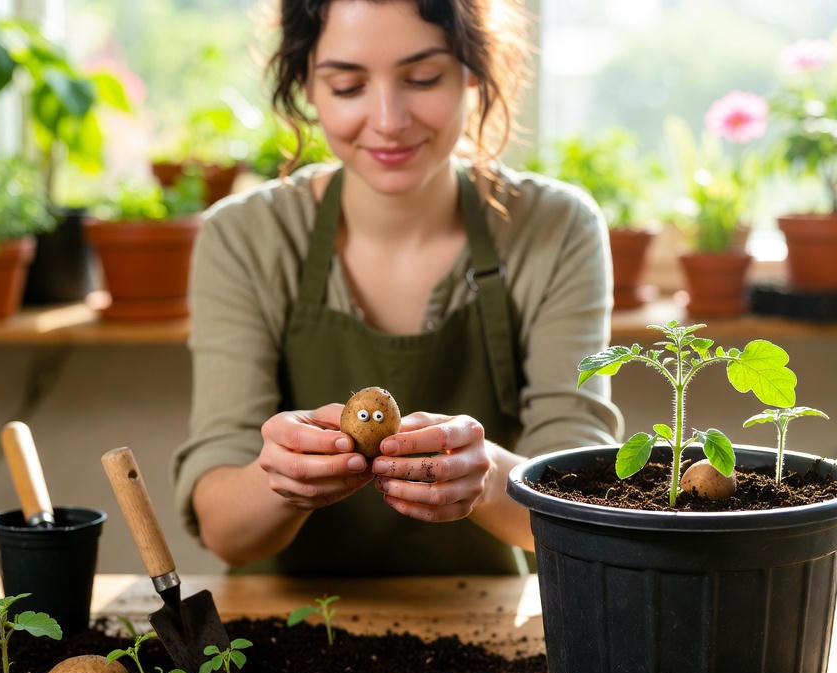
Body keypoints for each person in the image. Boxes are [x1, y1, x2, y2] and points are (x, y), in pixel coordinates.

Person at [171, 0, 622, 575]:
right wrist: (282, 480)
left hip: (482, 621)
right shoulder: (243, 237)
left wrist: (482, 480)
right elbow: (225, 531)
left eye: (423, 78)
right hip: (282, 631)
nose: (388, 119)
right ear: (306, 84)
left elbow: (586, 502)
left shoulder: (556, 229)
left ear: (473, 69)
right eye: (347, 85)